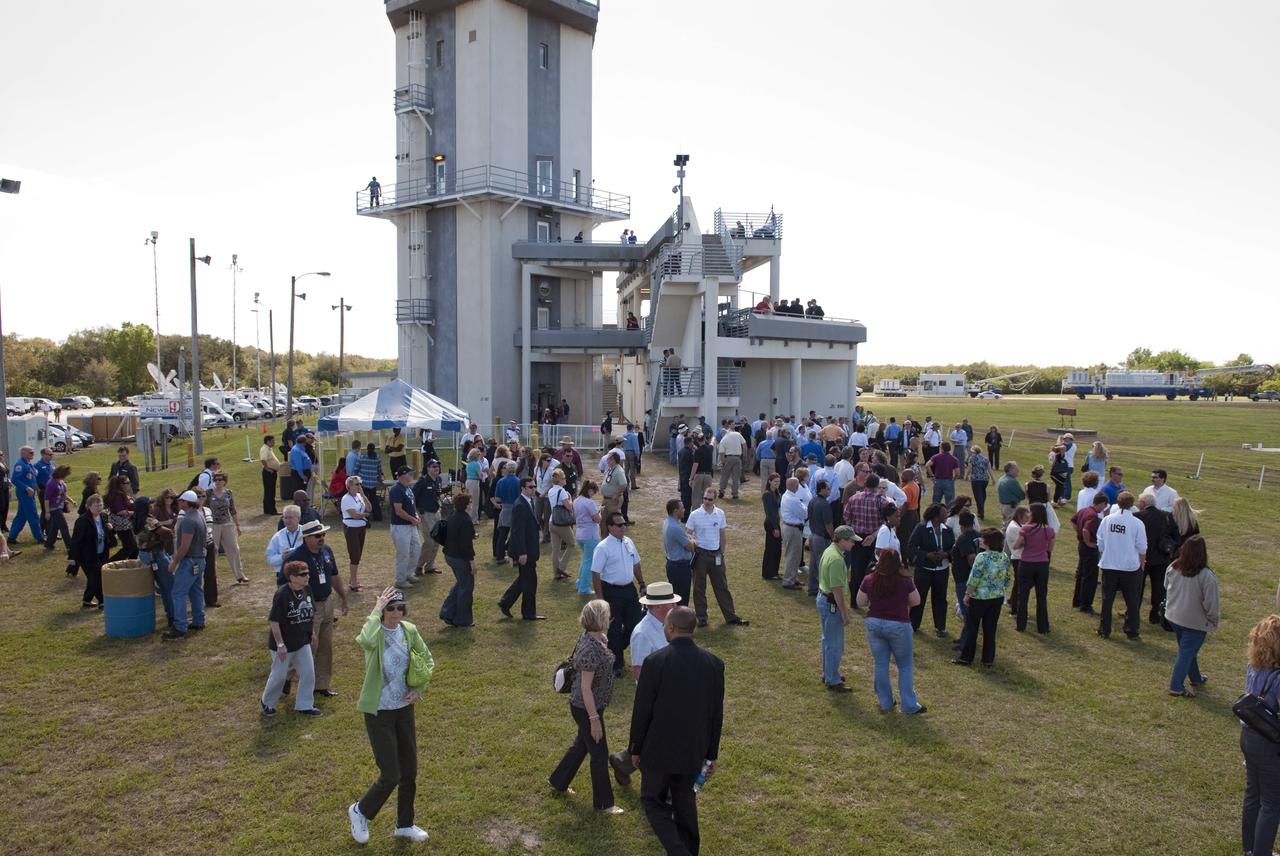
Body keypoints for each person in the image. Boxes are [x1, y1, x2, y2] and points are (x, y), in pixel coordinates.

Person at [628, 606, 725, 855]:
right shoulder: (714, 664)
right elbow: (716, 715)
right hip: (694, 750)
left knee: (652, 800)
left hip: (658, 750)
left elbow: (642, 711)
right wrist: (711, 755)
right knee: (685, 803)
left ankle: (678, 850)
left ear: (671, 628)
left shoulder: (655, 662)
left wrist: (635, 748)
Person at [348, 587, 434, 845]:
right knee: (391, 774)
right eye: (391, 608)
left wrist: (418, 688)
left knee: (409, 771)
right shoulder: (375, 633)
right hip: (379, 712)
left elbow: (428, 660)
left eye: (400, 608)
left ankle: (404, 825)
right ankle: (360, 811)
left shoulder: (409, 630)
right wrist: (375, 609)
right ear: (383, 611)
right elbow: (364, 640)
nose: (396, 613)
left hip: (404, 710)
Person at [548, 598, 624, 814]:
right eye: (607, 615)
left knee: (581, 746)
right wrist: (594, 720)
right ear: (601, 620)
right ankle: (604, 804)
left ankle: (558, 781)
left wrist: (602, 640)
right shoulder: (590, 651)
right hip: (586, 708)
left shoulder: (591, 638)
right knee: (599, 754)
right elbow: (585, 687)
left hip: (588, 706)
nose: (609, 618)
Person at [287, 519, 352, 696]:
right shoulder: (296, 557)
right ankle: (287, 677)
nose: (321, 538)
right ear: (306, 538)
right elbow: (285, 585)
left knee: (326, 645)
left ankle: (321, 685)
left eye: (323, 534)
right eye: (317, 535)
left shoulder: (327, 551)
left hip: (327, 603)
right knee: (307, 647)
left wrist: (343, 598)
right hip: (308, 607)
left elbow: (334, 576)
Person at [856, 551, 925, 714]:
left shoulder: (869, 579)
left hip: (874, 624)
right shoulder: (905, 581)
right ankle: (908, 705)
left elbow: (860, 602)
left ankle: (885, 702)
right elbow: (916, 601)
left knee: (880, 664)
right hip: (899, 625)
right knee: (905, 665)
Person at [259, 560, 320, 717]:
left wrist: (311, 632)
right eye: (303, 574)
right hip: (284, 644)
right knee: (279, 675)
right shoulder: (282, 594)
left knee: (308, 672)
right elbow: (274, 621)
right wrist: (280, 644)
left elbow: (310, 612)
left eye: (307, 573)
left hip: (301, 641)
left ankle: (304, 705)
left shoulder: (307, 589)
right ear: (292, 577)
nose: (307, 576)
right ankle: (267, 702)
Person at [1240, 615, 1280, 856]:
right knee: (1272, 803)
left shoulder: (1253, 667)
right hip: (1269, 743)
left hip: (1248, 735)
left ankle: (1251, 849)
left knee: (1253, 795)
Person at [1163, 535, 1218, 697]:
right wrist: (1213, 620)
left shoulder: (1173, 567)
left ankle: (1195, 678)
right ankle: (1176, 686)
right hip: (1194, 622)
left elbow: (1166, 587)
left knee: (1187, 649)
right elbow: (1211, 604)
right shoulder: (1206, 576)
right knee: (1186, 652)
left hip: (1173, 617)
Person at [592, 512, 646, 676]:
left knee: (636, 625)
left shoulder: (628, 542)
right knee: (614, 628)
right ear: (610, 527)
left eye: (625, 524)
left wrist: (642, 583)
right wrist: (600, 599)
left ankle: (610, 652)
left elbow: (636, 564)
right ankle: (616, 665)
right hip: (612, 591)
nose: (624, 527)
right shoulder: (603, 547)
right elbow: (595, 574)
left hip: (629, 590)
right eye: (620, 525)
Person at [686, 489, 748, 627]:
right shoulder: (694, 515)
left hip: (716, 554)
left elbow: (722, 535)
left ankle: (731, 616)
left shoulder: (720, 514)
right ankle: (702, 618)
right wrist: (694, 543)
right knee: (699, 587)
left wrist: (722, 552)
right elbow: (688, 533)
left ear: (715, 500)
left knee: (722, 586)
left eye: (710, 499)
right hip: (701, 555)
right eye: (705, 498)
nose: (706, 502)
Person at [953, 528, 1013, 666]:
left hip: (980, 597)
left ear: (988, 542)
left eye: (982, 538)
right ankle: (988, 659)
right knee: (990, 629)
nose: (979, 539)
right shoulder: (1004, 557)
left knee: (972, 627)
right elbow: (1007, 578)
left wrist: (967, 595)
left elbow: (974, 578)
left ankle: (966, 657)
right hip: (997, 597)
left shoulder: (982, 557)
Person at [1096, 492, 1147, 640]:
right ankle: (1132, 630)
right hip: (1129, 566)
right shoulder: (1137, 523)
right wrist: (1141, 564)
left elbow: (1100, 541)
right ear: (1132, 505)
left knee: (1107, 599)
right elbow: (1142, 547)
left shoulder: (1107, 520)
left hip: (1110, 564)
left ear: (1117, 503)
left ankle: (1104, 629)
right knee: (1132, 600)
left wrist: (1107, 553)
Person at [818, 526, 858, 692]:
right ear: (842, 541)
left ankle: (828, 673)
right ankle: (832, 680)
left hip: (823, 599)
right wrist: (845, 613)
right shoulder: (836, 559)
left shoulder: (830, 551)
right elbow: (837, 589)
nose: (853, 544)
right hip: (831, 604)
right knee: (835, 644)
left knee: (827, 640)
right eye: (851, 541)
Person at [162, 491, 207, 640]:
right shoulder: (199, 515)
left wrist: (174, 562)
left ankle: (180, 627)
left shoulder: (188, 520)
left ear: (186, 503)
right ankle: (199, 620)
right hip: (200, 559)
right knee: (196, 590)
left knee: (178, 593)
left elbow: (184, 546)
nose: (178, 502)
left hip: (190, 561)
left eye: (180, 500)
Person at [498, 477, 544, 621]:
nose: (533, 489)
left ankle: (506, 602)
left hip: (529, 549)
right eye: (530, 487)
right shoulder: (520, 505)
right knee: (530, 582)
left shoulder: (529, 502)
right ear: (523, 488)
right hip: (525, 551)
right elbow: (517, 531)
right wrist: (522, 553)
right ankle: (528, 613)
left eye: (534, 486)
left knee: (525, 579)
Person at [907, 503, 954, 636]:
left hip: (942, 570)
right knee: (919, 597)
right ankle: (913, 624)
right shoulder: (921, 528)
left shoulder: (947, 530)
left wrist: (946, 554)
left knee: (940, 598)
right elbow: (911, 547)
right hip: (924, 569)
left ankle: (940, 627)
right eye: (944, 513)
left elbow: (953, 547)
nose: (946, 515)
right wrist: (927, 555)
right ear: (936, 515)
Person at [1011, 502, 1055, 634]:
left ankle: (1021, 625)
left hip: (1026, 563)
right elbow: (1050, 548)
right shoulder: (1049, 530)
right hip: (1042, 564)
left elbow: (1016, 545)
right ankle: (1043, 627)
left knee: (1023, 595)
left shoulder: (1026, 528)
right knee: (1041, 596)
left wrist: (1026, 543)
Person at [1136, 494, 1178, 625]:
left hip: (1142, 558)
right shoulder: (1167, 516)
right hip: (1161, 558)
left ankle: (1133, 612)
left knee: (1137, 588)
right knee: (1159, 589)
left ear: (1143, 503)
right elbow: (1176, 536)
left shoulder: (1138, 517)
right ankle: (1155, 615)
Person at [133, 496, 174, 626]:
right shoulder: (149, 520)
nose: (152, 505)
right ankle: (173, 617)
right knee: (168, 587)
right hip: (156, 555)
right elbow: (166, 533)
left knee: (146, 589)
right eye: (150, 504)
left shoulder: (135, 519)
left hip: (144, 555)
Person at [70, 494, 115, 609]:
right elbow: (76, 540)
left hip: (102, 553)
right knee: (96, 578)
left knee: (94, 578)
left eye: (101, 505)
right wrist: (72, 557)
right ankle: (102, 601)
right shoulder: (83, 520)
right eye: (96, 506)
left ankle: (87, 600)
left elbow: (106, 534)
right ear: (89, 506)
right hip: (87, 555)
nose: (99, 508)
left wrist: (110, 529)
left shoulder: (104, 516)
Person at [439, 493, 477, 627]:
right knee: (466, 587)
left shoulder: (453, 516)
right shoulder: (466, 520)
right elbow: (466, 545)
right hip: (460, 558)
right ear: (466, 505)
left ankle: (448, 612)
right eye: (470, 502)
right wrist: (472, 562)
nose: (472, 504)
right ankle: (463, 619)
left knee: (461, 583)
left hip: (449, 555)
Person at [843, 473, 885, 593]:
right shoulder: (881, 501)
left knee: (856, 568)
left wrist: (853, 526)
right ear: (877, 485)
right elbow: (886, 522)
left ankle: (854, 599)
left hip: (857, 536)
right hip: (875, 537)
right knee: (873, 568)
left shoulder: (853, 498)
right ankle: (869, 595)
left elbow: (846, 516)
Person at [208, 472, 248, 585]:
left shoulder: (229, 493)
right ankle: (212, 576)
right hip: (213, 525)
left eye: (220, 480)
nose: (218, 482)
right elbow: (205, 509)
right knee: (213, 550)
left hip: (227, 524)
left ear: (225, 481)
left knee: (234, 548)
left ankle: (240, 575)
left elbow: (233, 509)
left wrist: (237, 525)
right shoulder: (209, 493)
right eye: (215, 480)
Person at [1071, 492, 1108, 615]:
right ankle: (1086, 605)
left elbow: (1073, 521)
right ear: (1102, 503)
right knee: (1090, 577)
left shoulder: (1084, 510)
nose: (1104, 508)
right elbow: (1086, 529)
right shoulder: (1093, 515)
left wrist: (1079, 535)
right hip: (1089, 548)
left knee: (1081, 573)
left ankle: (1077, 600)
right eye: (1104, 505)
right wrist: (1088, 541)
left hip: (1081, 546)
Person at [388, 466, 422, 590]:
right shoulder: (396, 490)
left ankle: (408, 573)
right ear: (403, 475)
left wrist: (416, 515)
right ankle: (400, 579)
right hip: (400, 527)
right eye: (410, 474)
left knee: (416, 549)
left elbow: (412, 506)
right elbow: (398, 510)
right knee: (403, 553)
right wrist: (413, 519)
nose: (412, 476)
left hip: (410, 525)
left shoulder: (407, 488)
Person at [411, 460, 444, 576]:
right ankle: (419, 566)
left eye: (438, 466)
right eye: (434, 466)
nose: (436, 469)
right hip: (425, 514)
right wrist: (416, 511)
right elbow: (412, 495)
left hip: (436, 512)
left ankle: (430, 566)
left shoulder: (438, 480)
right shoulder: (423, 481)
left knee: (437, 540)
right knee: (429, 541)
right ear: (428, 468)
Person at [340, 475, 370, 593]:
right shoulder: (346, 499)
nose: (359, 486)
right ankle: (353, 582)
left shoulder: (359, 496)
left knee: (358, 554)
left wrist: (363, 495)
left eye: (360, 484)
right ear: (349, 486)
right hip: (351, 528)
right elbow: (354, 515)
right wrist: (365, 515)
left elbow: (369, 508)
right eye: (357, 484)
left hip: (361, 527)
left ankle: (353, 579)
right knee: (354, 555)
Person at [806, 480, 836, 596]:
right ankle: (823, 590)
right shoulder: (824, 504)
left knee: (813, 564)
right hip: (821, 538)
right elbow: (828, 524)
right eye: (828, 488)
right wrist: (833, 537)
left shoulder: (812, 501)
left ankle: (812, 588)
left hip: (812, 535)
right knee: (822, 565)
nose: (829, 490)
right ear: (822, 489)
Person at [574, 481, 603, 596]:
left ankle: (580, 582)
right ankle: (584, 587)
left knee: (585, 560)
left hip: (580, 534)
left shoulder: (576, 500)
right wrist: (600, 512)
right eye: (594, 492)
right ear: (590, 490)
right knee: (589, 562)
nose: (594, 494)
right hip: (590, 535)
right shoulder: (589, 503)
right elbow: (597, 519)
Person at [547, 469, 576, 581]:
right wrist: (570, 499)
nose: (565, 479)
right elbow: (569, 506)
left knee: (556, 548)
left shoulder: (551, 491)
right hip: (561, 523)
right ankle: (561, 568)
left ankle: (556, 573)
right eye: (564, 478)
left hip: (552, 521)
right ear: (560, 480)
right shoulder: (563, 492)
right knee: (572, 544)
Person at [266, 505, 304, 584]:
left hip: (303, 573)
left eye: (290, 517)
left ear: (299, 518)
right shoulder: (277, 537)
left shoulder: (306, 533)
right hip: (284, 575)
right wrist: (282, 557)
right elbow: (270, 559)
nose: (287, 520)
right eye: (285, 518)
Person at [104, 474, 137, 561]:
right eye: (128, 482)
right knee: (129, 547)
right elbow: (120, 511)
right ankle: (109, 563)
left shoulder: (124, 494)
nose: (130, 484)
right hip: (122, 525)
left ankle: (132, 565)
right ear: (121, 485)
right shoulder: (118, 496)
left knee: (134, 547)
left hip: (126, 524)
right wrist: (134, 513)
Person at [42, 464, 73, 556]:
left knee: (55, 527)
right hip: (54, 509)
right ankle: (70, 546)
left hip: (59, 507)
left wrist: (71, 500)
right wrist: (47, 512)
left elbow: (63, 494)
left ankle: (49, 544)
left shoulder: (61, 482)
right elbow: (46, 499)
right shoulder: (51, 484)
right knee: (64, 527)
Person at [760, 473, 782, 581]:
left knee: (776, 549)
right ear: (769, 482)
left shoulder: (776, 493)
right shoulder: (768, 494)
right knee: (771, 548)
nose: (777, 484)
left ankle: (774, 571)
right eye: (775, 481)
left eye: (778, 482)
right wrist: (775, 528)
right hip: (771, 523)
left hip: (776, 522)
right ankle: (769, 572)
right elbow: (770, 513)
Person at [925, 441, 960, 506]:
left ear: (942, 448)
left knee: (936, 502)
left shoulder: (936, 457)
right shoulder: (954, 459)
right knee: (950, 503)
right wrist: (954, 479)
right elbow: (957, 473)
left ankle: (935, 515)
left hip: (938, 480)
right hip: (948, 481)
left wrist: (932, 476)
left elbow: (927, 465)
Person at [716, 424, 744, 500]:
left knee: (724, 476)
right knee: (735, 477)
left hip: (728, 457)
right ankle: (735, 494)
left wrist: (723, 462)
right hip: (738, 457)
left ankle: (721, 492)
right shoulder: (737, 434)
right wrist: (744, 456)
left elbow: (721, 453)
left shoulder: (723, 440)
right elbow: (744, 444)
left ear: (722, 434)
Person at [996, 461, 1025, 527]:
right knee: (1012, 525)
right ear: (1010, 470)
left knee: (1006, 524)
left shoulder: (1002, 478)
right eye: (1016, 468)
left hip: (1004, 506)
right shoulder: (1012, 481)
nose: (1018, 470)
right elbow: (1021, 495)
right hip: (1011, 507)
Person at [968, 445, 991, 519]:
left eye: (972, 451)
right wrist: (993, 479)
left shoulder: (972, 458)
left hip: (976, 479)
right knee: (982, 494)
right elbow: (989, 469)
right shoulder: (985, 458)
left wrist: (967, 476)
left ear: (974, 451)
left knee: (978, 496)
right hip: (985, 479)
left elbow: (970, 469)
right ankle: (980, 511)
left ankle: (981, 512)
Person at [259, 435, 280, 516]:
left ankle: (267, 509)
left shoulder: (268, 448)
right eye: (273, 441)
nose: (274, 442)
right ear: (268, 441)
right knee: (270, 492)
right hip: (269, 472)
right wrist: (267, 468)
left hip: (271, 472)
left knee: (269, 491)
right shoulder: (265, 449)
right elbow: (263, 459)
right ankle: (272, 510)